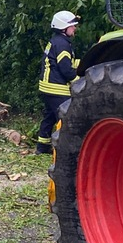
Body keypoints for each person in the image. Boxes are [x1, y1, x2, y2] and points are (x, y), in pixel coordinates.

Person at [36, 11, 79, 155]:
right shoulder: (63, 44)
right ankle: (63, 151)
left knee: (49, 117)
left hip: (47, 87)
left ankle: (42, 148)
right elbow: (65, 68)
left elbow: (66, 62)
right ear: (63, 28)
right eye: (72, 26)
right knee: (65, 119)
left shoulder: (56, 41)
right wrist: (77, 81)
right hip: (57, 88)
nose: (75, 28)